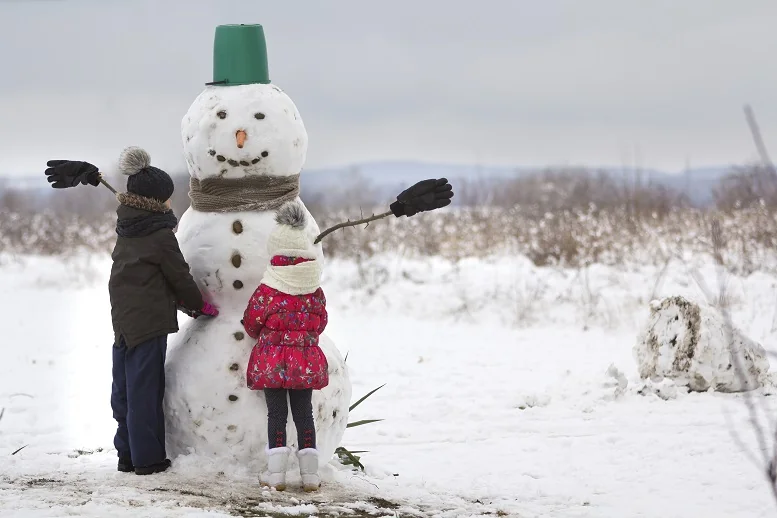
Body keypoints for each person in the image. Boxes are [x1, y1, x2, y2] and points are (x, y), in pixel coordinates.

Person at [107, 147, 218, 475]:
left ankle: (127, 454)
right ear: (157, 202)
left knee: (124, 389)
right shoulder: (159, 236)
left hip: (123, 319)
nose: (171, 203)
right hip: (148, 322)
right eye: (167, 198)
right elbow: (179, 276)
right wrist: (199, 306)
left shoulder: (127, 227)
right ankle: (148, 460)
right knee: (144, 391)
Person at [242, 201, 328, 492]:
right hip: (305, 360)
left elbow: (251, 322)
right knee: (305, 414)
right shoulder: (314, 287)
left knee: (276, 414)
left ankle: (276, 475)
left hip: (272, 360)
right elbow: (320, 323)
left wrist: (270, 336)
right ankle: (311, 476)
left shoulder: (267, 289)